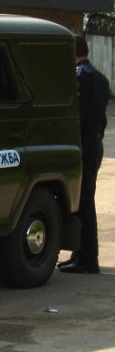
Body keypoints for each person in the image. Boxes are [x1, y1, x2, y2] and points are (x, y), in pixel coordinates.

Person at [58, 35, 109, 274]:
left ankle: (88, 259)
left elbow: (75, 114)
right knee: (83, 200)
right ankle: (80, 254)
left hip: (82, 145)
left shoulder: (80, 76)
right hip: (94, 143)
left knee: (84, 203)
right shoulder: (100, 77)